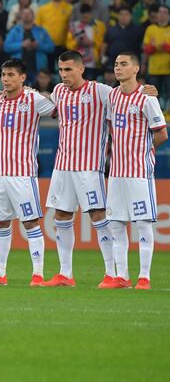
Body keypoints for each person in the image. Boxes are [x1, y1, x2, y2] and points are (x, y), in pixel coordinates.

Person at [44, 50, 139, 287]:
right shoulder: (58, 92)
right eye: (60, 70)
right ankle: (65, 274)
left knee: (98, 215)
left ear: (81, 69)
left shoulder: (100, 91)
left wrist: (147, 91)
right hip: (63, 166)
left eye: (68, 69)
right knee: (61, 215)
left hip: (89, 167)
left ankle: (111, 273)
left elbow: (128, 95)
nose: (63, 74)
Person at [0, 58, 55, 286]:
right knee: (0, 223)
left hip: (23, 173)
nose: (6, 79)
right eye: (3, 75)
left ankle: (38, 274)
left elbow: (58, 110)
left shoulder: (34, 99)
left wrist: (46, 94)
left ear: (22, 78)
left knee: (30, 222)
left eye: (11, 75)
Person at [103, 52, 167, 290]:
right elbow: (111, 129)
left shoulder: (147, 98)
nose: (118, 68)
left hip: (139, 172)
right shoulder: (112, 97)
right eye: (116, 64)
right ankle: (122, 277)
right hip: (117, 174)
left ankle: (144, 277)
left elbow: (161, 133)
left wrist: (143, 151)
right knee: (117, 225)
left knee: (143, 224)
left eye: (123, 64)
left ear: (136, 68)